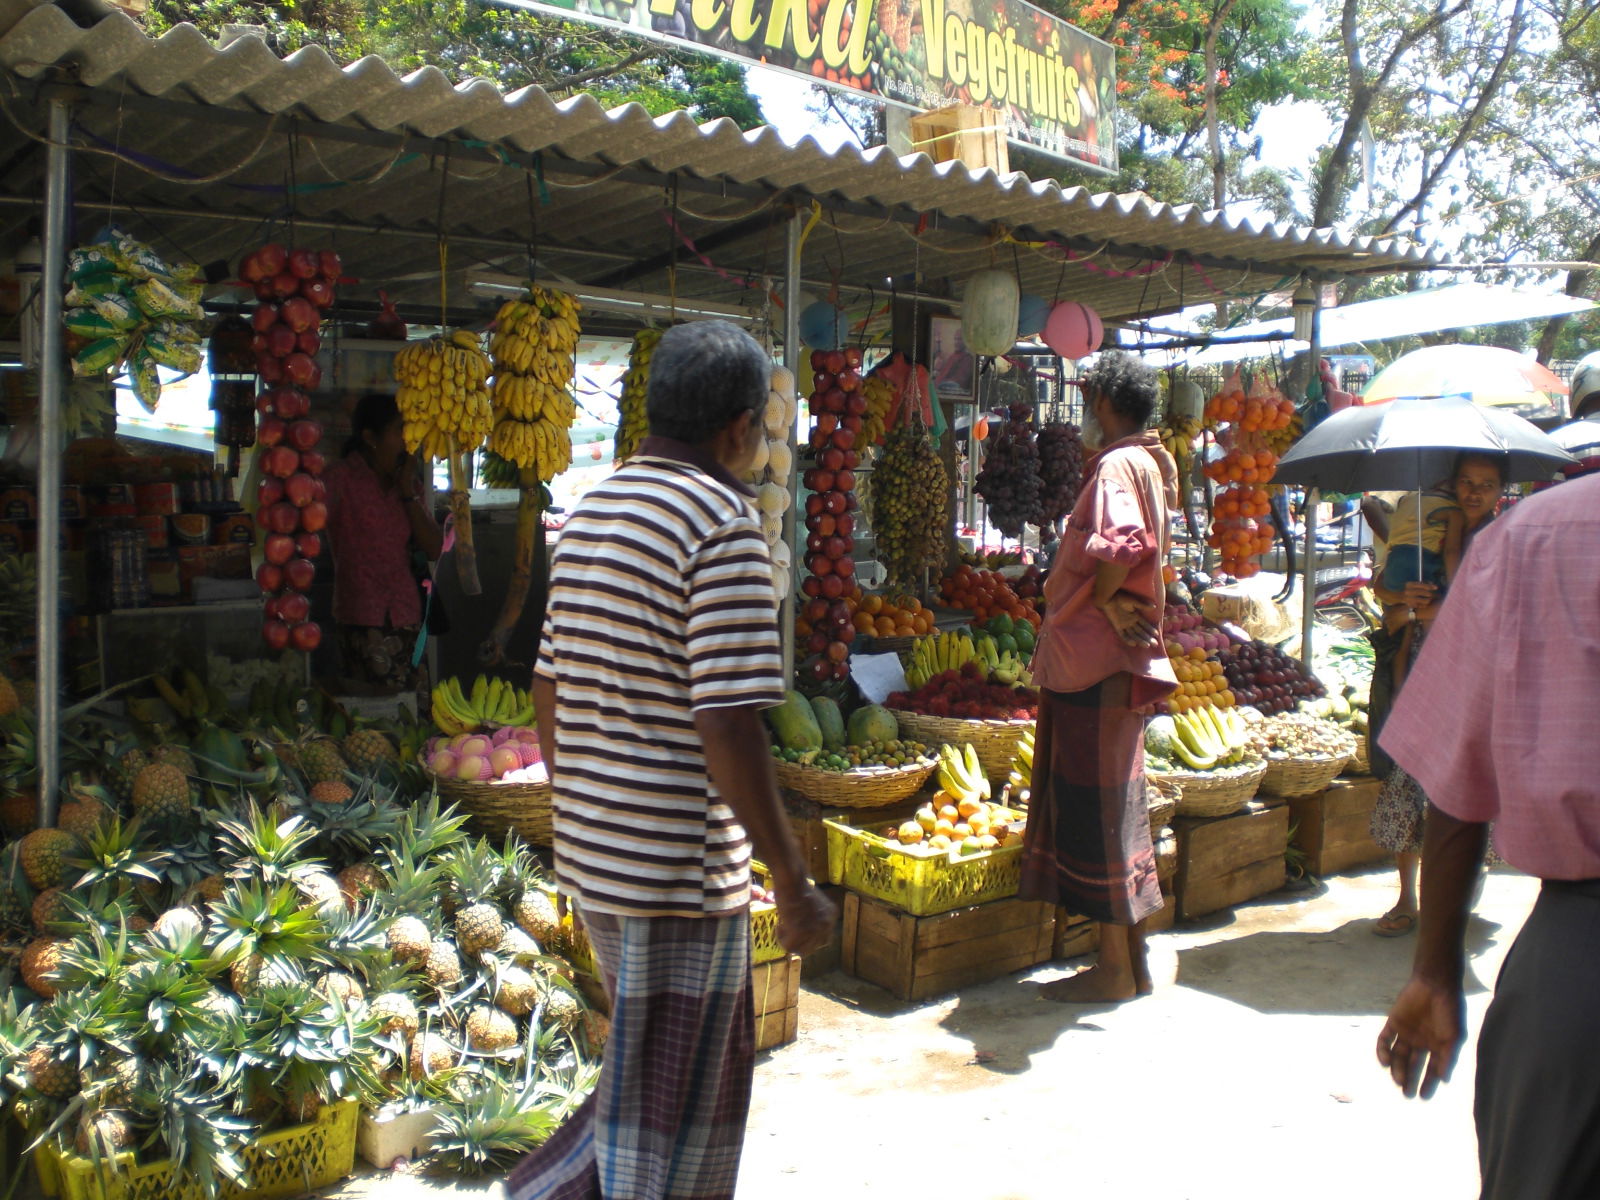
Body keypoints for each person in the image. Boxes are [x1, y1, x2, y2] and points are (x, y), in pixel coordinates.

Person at [509, 321, 835, 1200]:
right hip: (675, 878)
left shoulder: (588, 513)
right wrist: (793, 878)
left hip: (598, 861)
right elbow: (730, 724)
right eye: (763, 428)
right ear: (737, 429)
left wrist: (583, 810)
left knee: (642, 1087)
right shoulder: (723, 527)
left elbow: (547, 689)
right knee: (678, 1115)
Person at [1374, 470, 1600, 1199]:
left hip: (1579, 971)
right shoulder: (1518, 537)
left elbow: (1457, 777)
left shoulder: (1537, 536)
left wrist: (1435, 969)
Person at [1018, 351, 1178, 1004]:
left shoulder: (1117, 463)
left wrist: (1105, 599)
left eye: (1089, 402)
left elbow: (1123, 544)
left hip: (1094, 660)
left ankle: (1113, 969)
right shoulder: (1151, 462)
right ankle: (1130, 961)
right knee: (1119, 806)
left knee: (1098, 812)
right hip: (1111, 663)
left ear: (1107, 405)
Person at [1366, 452, 1506, 937]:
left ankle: (1455, 891)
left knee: (1463, 791)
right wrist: (1407, 599)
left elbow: (1497, 612)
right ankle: (1407, 897)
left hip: (1472, 680)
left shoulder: (1500, 539)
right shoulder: (1425, 524)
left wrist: (1438, 609)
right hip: (1418, 673)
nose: (1473, 492)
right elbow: (1384, 586)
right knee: (1408, 781)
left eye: (1485, 486)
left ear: (1499, 493)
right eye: (1466, 482)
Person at [323, 393, 442, 697]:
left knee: (415, 711)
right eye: (399, 430)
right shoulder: (340, 479)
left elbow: (434, 548)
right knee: (373, 715)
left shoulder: (407, 484)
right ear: (370, 438)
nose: (407, 440)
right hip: (362, 618)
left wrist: (407, 494)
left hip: (406, 616)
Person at [1379, 483, 1465, 594]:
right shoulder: (1453, 510)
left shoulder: (1406, 500)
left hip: (1391, 567)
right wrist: (1456, 589)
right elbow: (1452, 551)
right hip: (1420, 564)